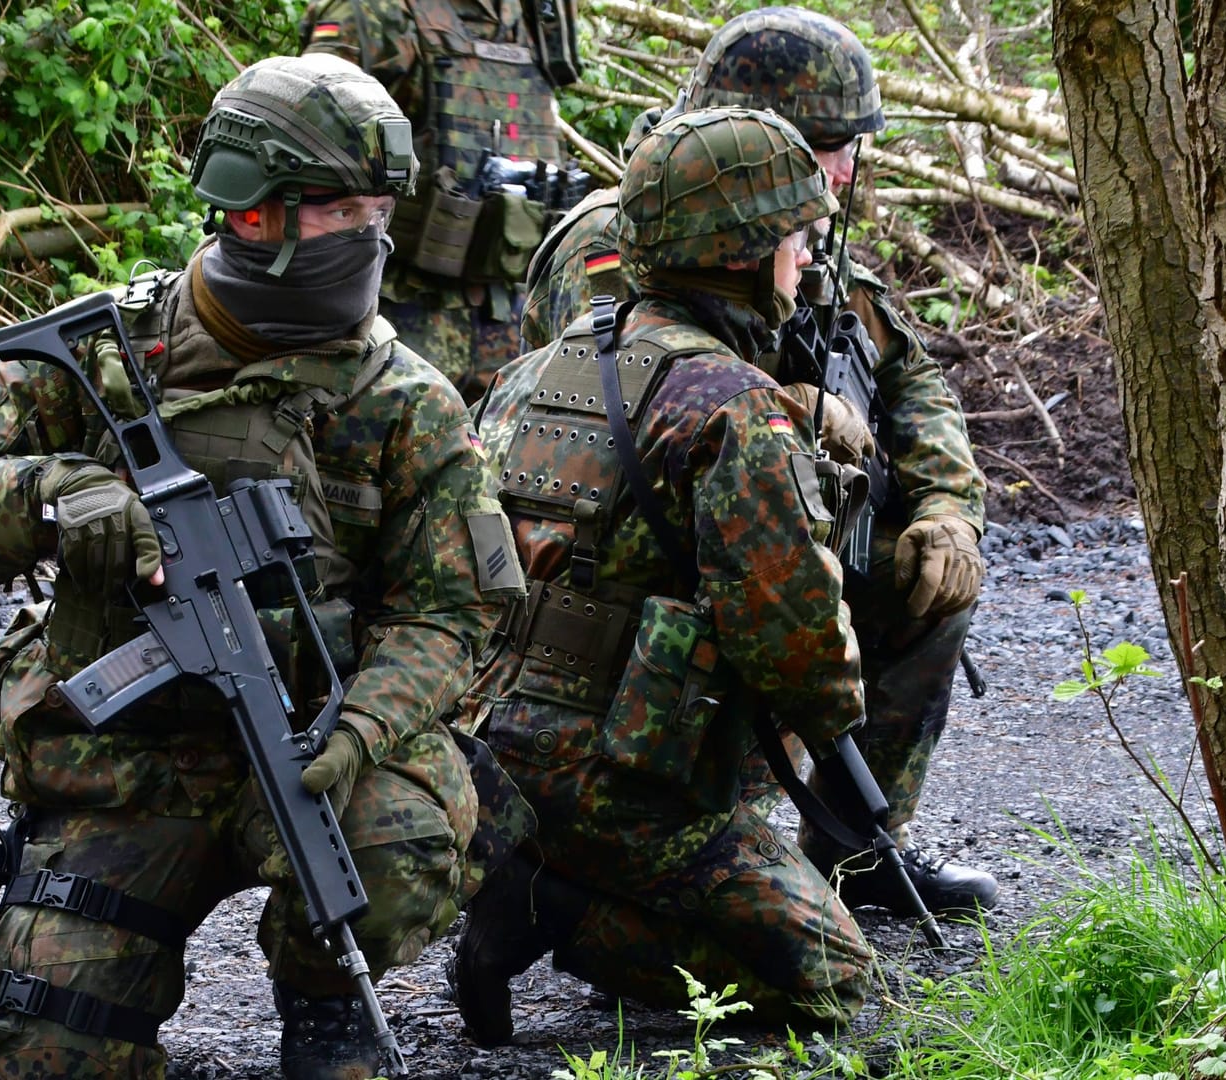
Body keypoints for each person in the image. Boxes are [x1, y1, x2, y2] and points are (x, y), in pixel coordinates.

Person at [0, 53, 523, 1080]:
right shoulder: (109, 351)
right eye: (338, 210)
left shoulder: (405, 400)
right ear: (252, 213)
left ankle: (329, 1002)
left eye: (378, 210)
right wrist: (62, 495)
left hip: (312, 752)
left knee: (397, 838)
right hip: (131, 766)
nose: (368, 234)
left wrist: (363, 726)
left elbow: (452, 614)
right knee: (41, 1056)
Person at [518, 6, 995, 917]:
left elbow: (906, 369)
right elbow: (599, 400)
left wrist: (946, 507)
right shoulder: (616, 236)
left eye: (850, 145)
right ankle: (621, 861)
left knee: (924, 569)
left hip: (763, 521)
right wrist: (788, 406)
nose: (847, 168)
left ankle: (854, 851)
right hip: (645, 561)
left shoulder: (790, 223)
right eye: (826, 143)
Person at [450, 106, 874, 1047]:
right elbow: (798, 648)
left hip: (484, 755)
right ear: (738, 251)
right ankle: (551, 911)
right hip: (626, 778)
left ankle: (531, 875)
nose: (806, 260)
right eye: (794, 239)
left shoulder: (529, 373)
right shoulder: (735, 407)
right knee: (835, 986)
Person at [299, 0, 572, 403]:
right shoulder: (373, 13)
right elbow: (302, 141)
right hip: (402, 318)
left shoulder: (537, 15)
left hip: (516, 316)